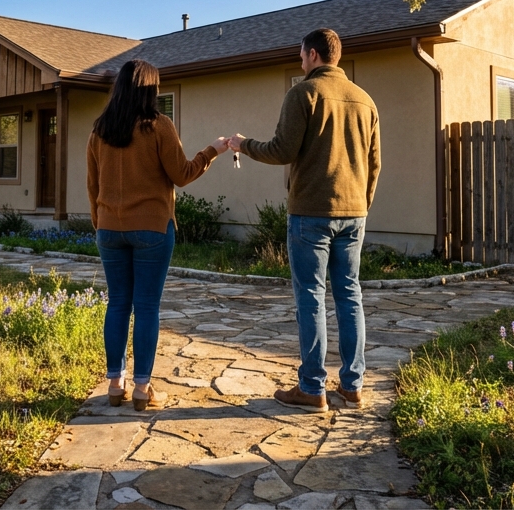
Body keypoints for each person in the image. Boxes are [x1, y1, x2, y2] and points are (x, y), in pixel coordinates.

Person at [228, 28, 380, 413]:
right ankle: (352, 386)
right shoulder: (366, 101)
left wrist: (242, 144)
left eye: (301, 55)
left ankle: (312, 388)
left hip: (311, 213)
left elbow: (282, 150)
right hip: (354, 212)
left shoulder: (303, 94)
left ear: (313, 55)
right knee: (350, 294)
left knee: (310, 297)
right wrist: (362, 203)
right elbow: (375, 164)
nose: (300, 61)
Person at [88, 59, 231, 411]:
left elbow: (92, 185)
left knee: (118, 303)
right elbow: (181, 174)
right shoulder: (158, 126)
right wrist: (213, 150)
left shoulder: (99, 130)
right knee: (147, 306)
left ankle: (114, 384)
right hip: (152, 227)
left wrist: (101, 222)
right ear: (150, 89)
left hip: (109, 229)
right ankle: (141, 389)